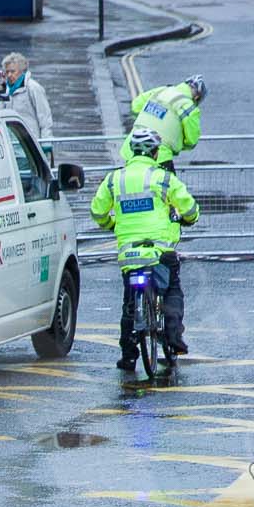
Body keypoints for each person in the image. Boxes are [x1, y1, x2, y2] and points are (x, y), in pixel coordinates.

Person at [89, 128, 199, 369]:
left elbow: (97, 211)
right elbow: (189, 207)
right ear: (156, 152)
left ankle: (128, 355)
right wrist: (188, 219)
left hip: (129, 254)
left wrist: (111, 223)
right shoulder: (162, 178)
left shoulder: (114, 179)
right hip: (159, 251)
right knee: (172, 289)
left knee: (130, 301)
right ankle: (173, 335)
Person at [130, 74, 203, 168]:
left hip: (133, 149)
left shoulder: (162, 90)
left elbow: (136, 106)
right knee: (166, 182)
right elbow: (191, 141)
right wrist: (178, 143)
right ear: (197, 97)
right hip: (160, 154)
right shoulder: (189, 106)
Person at [0, 52, 51, 140]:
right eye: (7, 72)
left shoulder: (33, 88)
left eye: (12, 71)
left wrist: (46, 142)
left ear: (21, 71)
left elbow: (44, 117)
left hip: (30, 141)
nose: (9, 75)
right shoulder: (6, 91)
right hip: (12, 140)